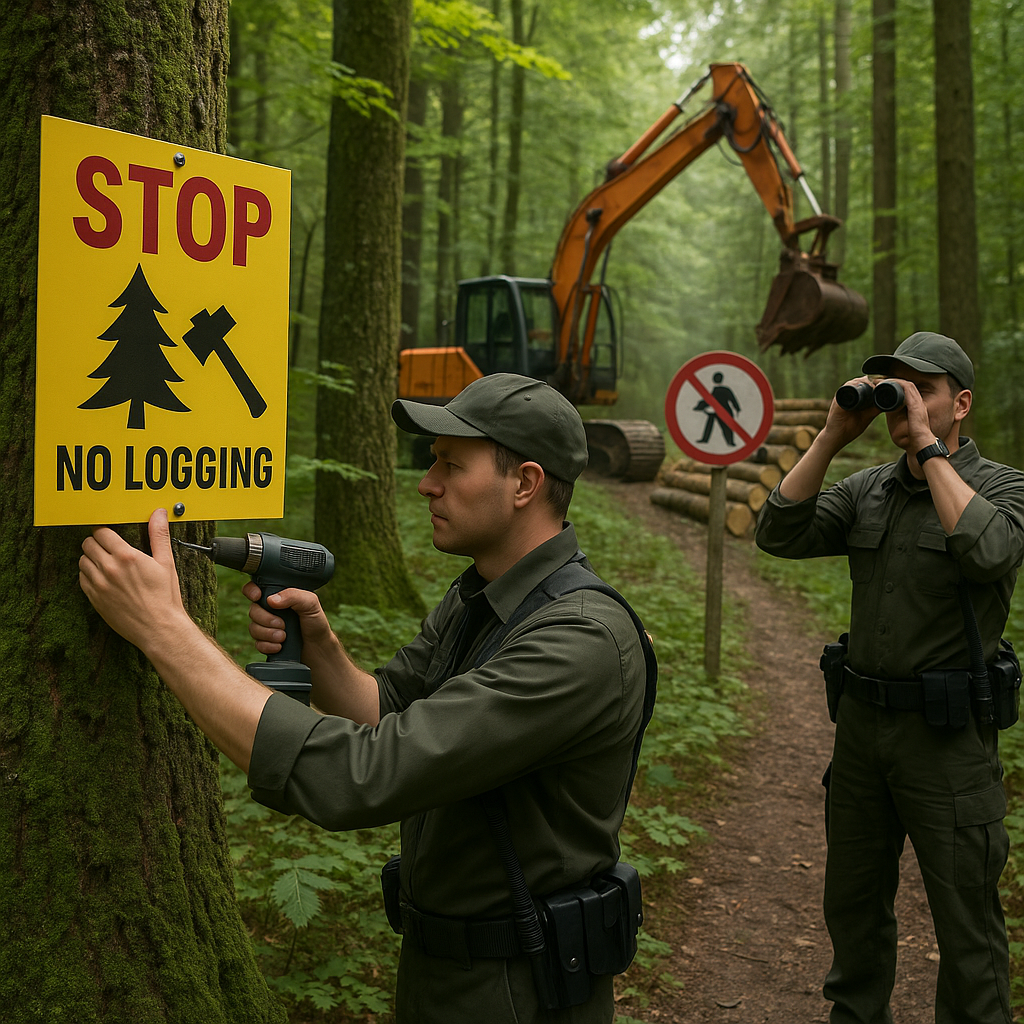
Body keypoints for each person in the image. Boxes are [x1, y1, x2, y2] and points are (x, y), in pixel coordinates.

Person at [79, 372, 650, 1024]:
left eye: (450, 465)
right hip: (446, 968)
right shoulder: (482, 599)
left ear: (524, 483)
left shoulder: (581, 641)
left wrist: (165, 631)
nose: (426, 483)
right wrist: (320, 647)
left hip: (521, 989)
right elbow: (391, 710)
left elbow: (363, 776)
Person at [754, 332, 1024, 1024]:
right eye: (891, 389)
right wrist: (831, 436)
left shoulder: (1001, 487)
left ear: (959, 404)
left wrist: (929, 449)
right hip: (863, 738)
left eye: (920, 390)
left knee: (966, 927)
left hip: (950, 743)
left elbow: (990, 551)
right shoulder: (866, 489)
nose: (902, 403)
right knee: (853, 913)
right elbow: (778, 533)